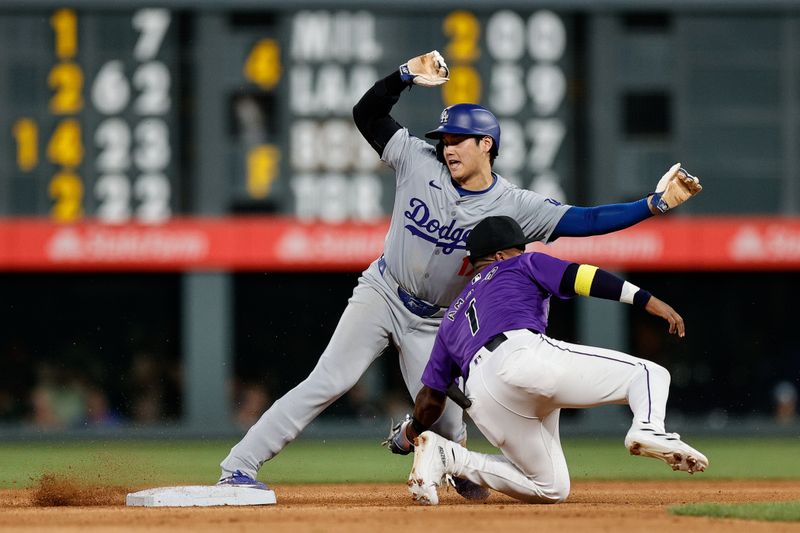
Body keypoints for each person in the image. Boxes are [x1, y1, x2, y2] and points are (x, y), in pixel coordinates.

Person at [217, 51, 703, 498]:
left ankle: (460, 468)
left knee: (449, 430)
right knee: (328, 380)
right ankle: (240, 465)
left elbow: (587, 220)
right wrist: (404, 76)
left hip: (440, 321)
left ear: (485, 144)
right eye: (444, 140)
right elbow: (366, 115)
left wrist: (652, 205)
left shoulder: (514, 204)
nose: (446, 148)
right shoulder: (415, 158)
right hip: (384, 290)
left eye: (457, 141)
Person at [394, 215, 708, 505]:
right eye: (519, 249)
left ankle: (446, 455)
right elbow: (581, 276)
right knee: (648, 374)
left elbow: (430, 398)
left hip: (484, 400)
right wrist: (646, 299)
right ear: (503, 254)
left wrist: (411, 432)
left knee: (551, 488)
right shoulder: (519, 264)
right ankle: (647, 428)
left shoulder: (450, 318)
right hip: (520, 356)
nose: (524, 252)